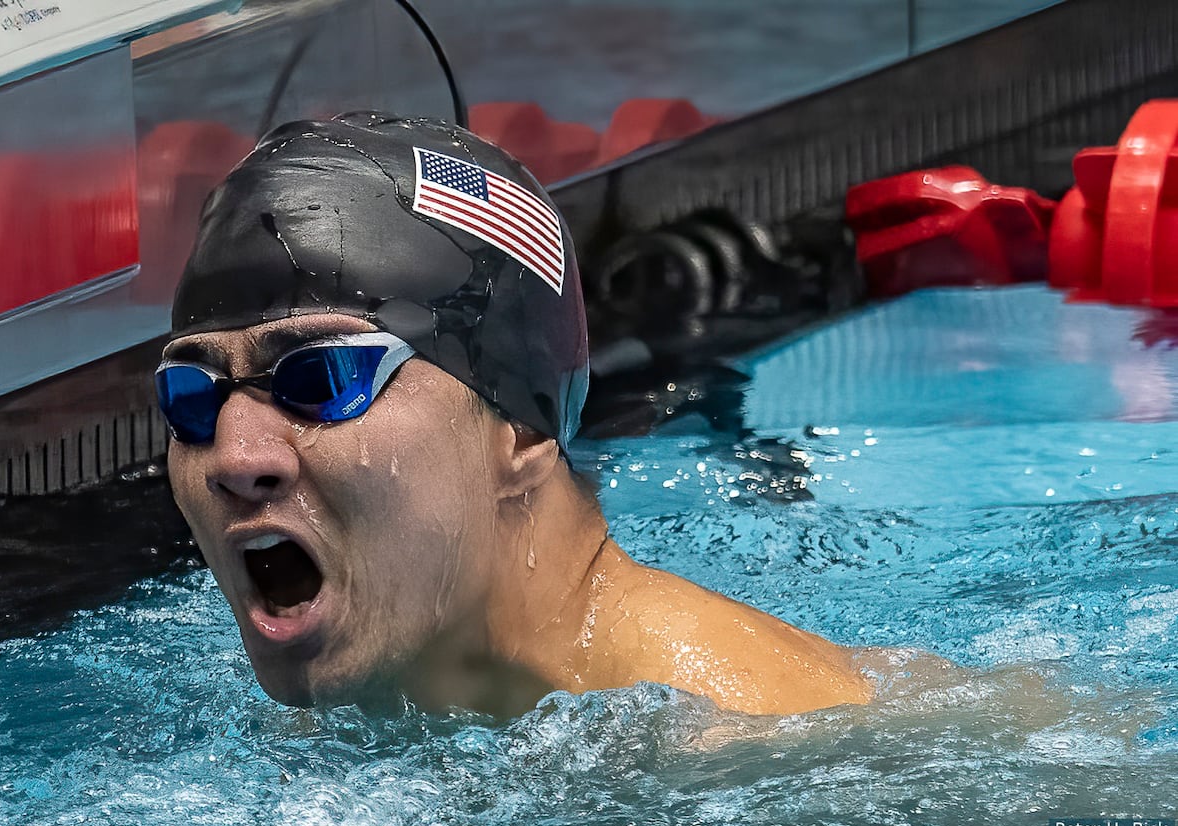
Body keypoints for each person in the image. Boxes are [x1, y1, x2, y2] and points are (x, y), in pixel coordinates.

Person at [158, 113, 872, 718]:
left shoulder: (739, 728)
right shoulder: (397, 686)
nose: (235, 456)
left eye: (321, 379)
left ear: (521, 431)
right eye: (192, 399)